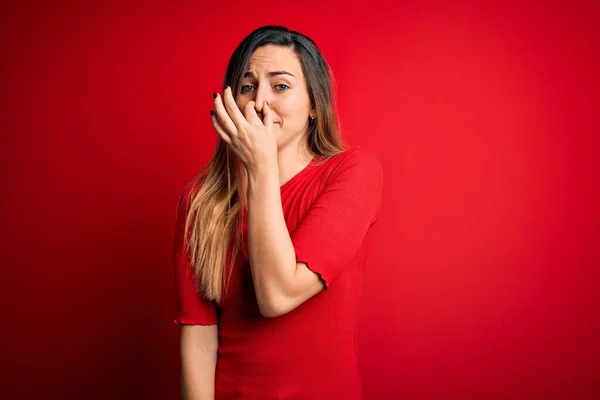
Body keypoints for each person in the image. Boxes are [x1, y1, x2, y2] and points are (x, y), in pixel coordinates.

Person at [173, 25, 383, 400]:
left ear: (315, 105)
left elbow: (277, 295)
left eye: (281, 86)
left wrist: (261, 168)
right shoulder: (201, 201)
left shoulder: (354, 172)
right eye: (247, 86)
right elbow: (200, 339)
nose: (260, 103)